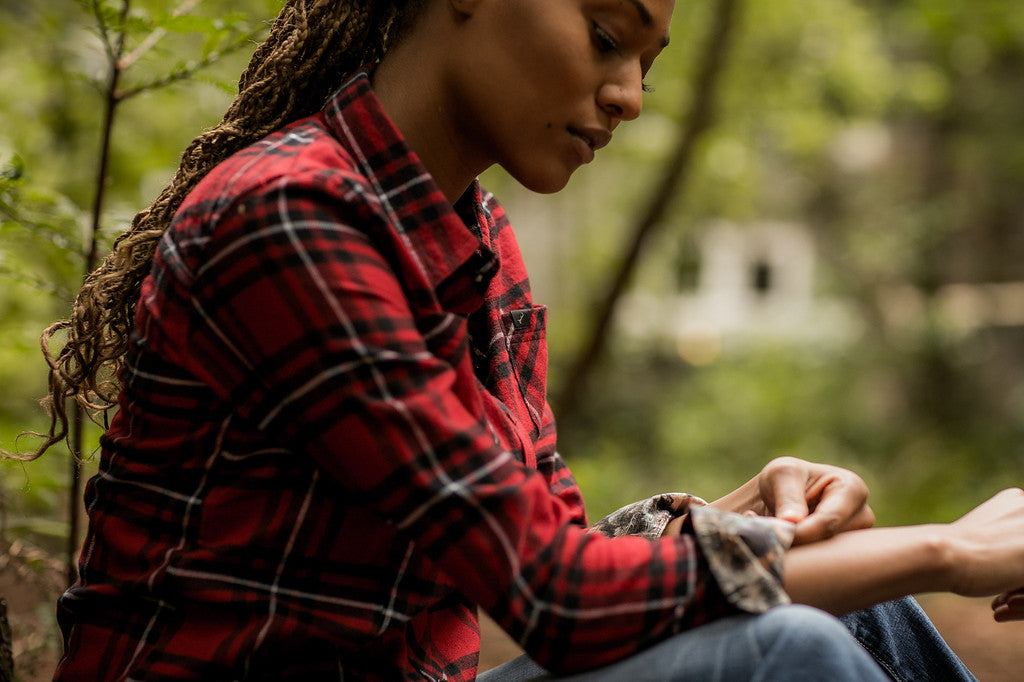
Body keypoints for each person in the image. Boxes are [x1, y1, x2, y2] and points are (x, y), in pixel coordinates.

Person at [30, 0, 1024, 679]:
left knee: (860, 609)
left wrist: (750, 518)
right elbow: (554, 594)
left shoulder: (478, 239)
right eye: (603, 35)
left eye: (644, 62)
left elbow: (560, 553)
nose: (629, 93)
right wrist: (945, 550)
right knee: (789, 649)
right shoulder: (289, 216)